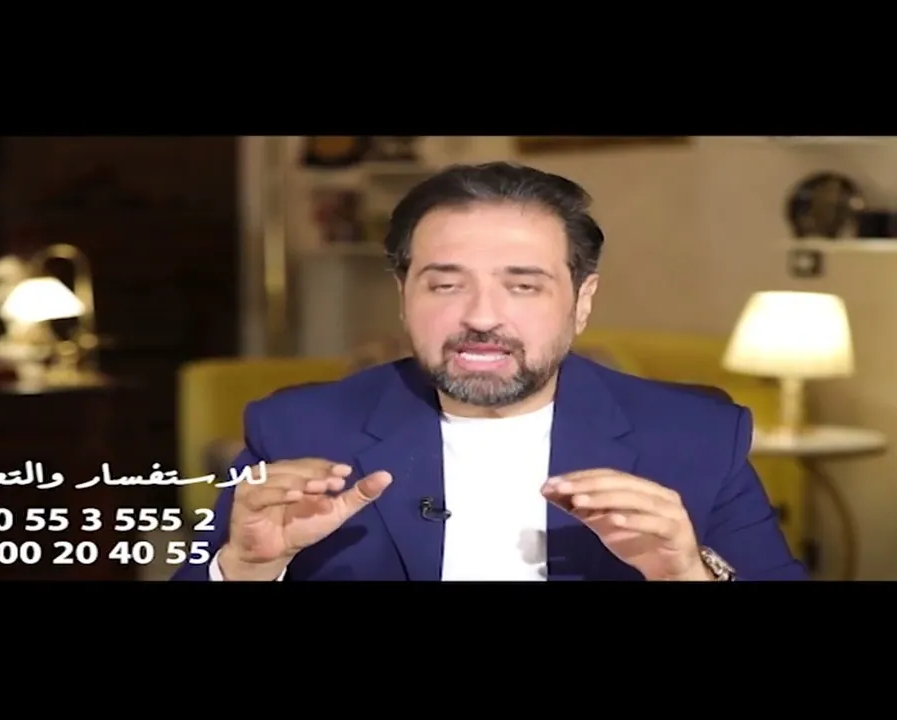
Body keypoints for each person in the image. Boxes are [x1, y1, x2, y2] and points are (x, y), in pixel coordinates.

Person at [173, 161, 807, 581]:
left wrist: (688, 575)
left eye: (523, 286)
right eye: (445, 284)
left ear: (582, 300)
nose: (480, 316)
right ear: (403, 296)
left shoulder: (698, 435)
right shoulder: (297, 428)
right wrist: (246, 568)